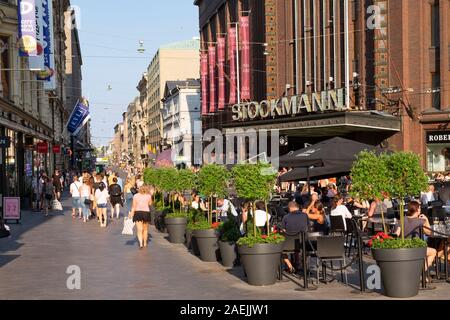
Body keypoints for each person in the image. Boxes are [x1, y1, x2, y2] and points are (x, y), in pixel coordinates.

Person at [394, 201, 436, 272]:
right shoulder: (420, 221)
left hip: (403, 248)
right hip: (416, 248)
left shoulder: (402, 219)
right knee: (433, 252)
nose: (420, 210)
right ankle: (420, 271)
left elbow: (396, 233)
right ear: (417, 210)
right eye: (419, 208)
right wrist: (426, 220)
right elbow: (430, 233)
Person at [280, 201, 309, 273]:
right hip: (302, 242)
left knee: (279, 248)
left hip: (288, 244)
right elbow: (307, 226)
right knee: (297, 243)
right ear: (297, 207)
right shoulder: (305, 215)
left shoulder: (285, 217)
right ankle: (298, 264)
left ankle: (290, 265)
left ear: (290, 208)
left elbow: (283, 230)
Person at [129, 185, 153, 249]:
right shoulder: (148, 196)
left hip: (138, 213)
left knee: (139, 229)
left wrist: (131, 213)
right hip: (146, 213)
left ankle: (140, 243)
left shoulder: (135, 196)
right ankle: (145, 243)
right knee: (145, 229)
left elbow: (133, 206)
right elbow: (150, 204)